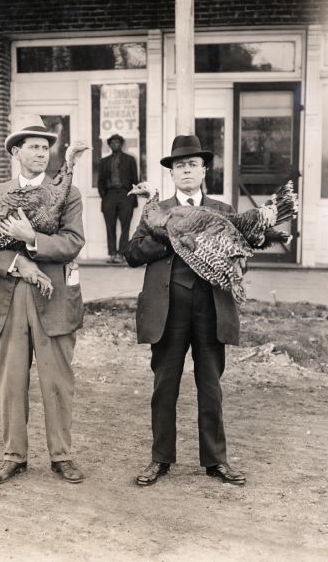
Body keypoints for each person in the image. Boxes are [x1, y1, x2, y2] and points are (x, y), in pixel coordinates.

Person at [125, 135, 246, 487]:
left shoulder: (223, 211)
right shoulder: (157, 210)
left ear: (204, 170)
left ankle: (215, 461)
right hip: (169, 308)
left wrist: (230, 263)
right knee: (165, 386)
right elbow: (132, 253)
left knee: (210, 387)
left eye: (193, 164)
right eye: (180, 166)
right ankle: (160, 459)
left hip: (210, 308)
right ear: (172, 174)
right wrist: (170, 234)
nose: (187, 171)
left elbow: (240, 258)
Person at [0, 120, 85, 486]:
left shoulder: (66, 192)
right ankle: (14, 456)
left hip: (53, 296)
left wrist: (32, 239)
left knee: (57, 381)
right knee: (10, 382)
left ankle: (62, 456)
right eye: (34, 147)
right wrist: (18, 263)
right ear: (16, 152)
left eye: (46, 148)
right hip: (7, 297)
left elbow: (73, 241)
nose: (42, 154)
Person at [97, 134, 138, 263]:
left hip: (126, 195)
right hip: (109, 195)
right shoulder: (104, 161)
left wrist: (132, 196)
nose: (115, 145)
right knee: (110, 226)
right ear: (109, 145)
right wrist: (104, 194)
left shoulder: (130, 159)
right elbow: (100, 181)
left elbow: (135, 180)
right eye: (113, 143)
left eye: (118, 142)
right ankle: (112, 254)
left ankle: (121, 254)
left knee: (125, 226)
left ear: (121, 144)